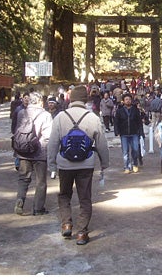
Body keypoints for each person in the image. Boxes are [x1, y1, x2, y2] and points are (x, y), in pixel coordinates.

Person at [47, 85, 109, 245]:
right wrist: (104, 163)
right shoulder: (93, 117)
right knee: (85, 198)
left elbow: (53, 143)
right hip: (86, 163)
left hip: (64, 163)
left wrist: (52, 164)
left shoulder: (60, 117)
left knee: (64, 194)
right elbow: (102, 143)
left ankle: (67, 223)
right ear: (85, 99)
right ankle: (82, 232)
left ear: (71, 99)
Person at [14, 91, 52, 215]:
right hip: (39, 152)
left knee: (23, 178)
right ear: (41, 101)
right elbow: (48, 136)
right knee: (40, 181)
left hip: (23, 151)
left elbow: (16, 130)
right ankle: (38, 208)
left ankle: (20, 200)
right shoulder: (46, 115)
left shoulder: (21, 113)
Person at [114, 92, 144, 174]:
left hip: (134, 133)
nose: (128, 101)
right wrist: (117, 131)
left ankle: (135, 164)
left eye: (129, 99)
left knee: (135, 150)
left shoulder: (135, 110)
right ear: (123, 101)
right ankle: (126, 166)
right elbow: (116, 122)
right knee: (125, 151)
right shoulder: (119, 111)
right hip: (124, 134)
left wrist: (140, 132)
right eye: (126, 99)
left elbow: (139, 122)